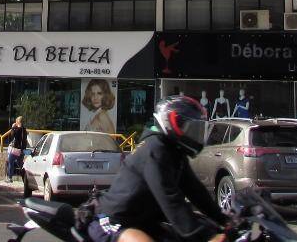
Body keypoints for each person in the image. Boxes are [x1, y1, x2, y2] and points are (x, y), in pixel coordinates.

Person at [88, 95, 227, 242]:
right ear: (172, 122)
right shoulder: (154, 149)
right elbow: (170, 199)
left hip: (144, 222)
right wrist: (204, 236)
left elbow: (196, 192)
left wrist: (225, 221)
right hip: (113, 220)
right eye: (191, 128)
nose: (196, 134)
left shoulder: (175, 153)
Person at [6, 116, 28, 183]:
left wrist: (13, 127)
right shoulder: (24, 130)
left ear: (18, 122)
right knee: (21, 164)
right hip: (22, 150)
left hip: (15, 149)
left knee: (11, 162)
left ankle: (10, 178)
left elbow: (12, 135)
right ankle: (25, 178)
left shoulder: (17, 129)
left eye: (16, 121)